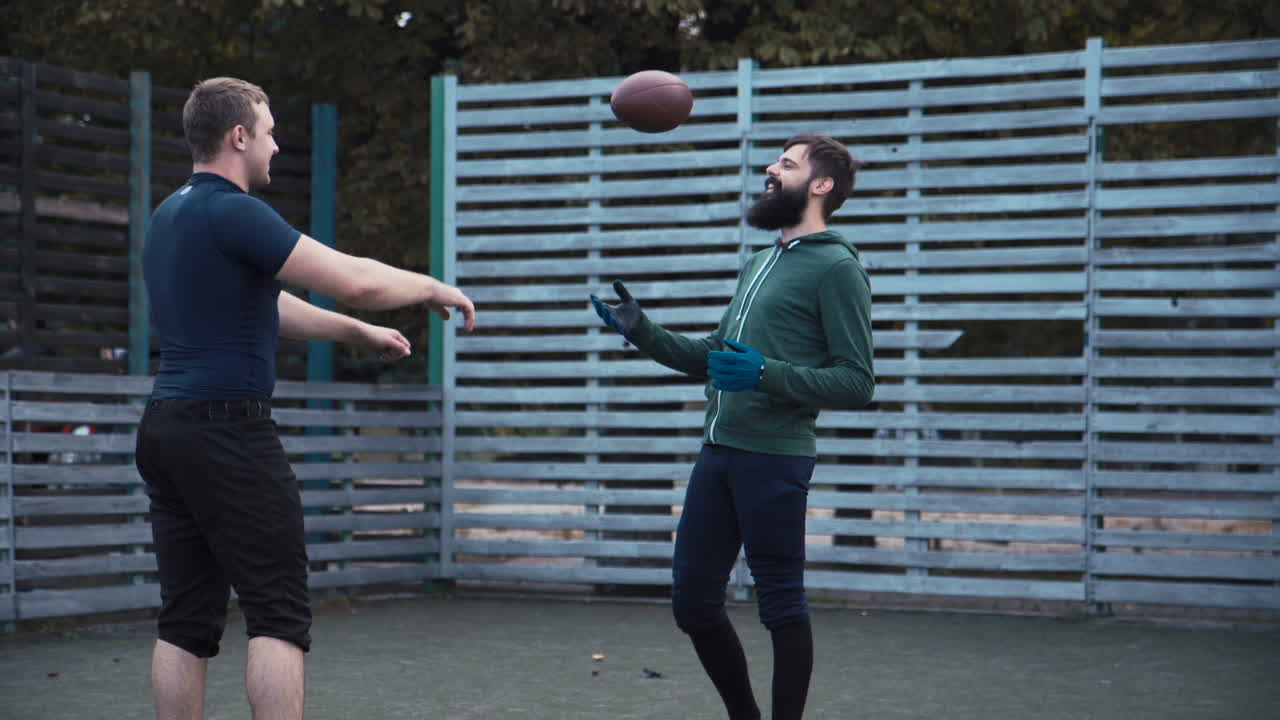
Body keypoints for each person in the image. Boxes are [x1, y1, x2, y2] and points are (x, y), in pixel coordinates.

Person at [136, 77, 475, 720]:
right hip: (228, 435)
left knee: (185, 617)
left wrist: (356, 332)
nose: (276, 146)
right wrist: (432, 287)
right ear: (238, 136)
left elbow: (266, 303)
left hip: (165, 430)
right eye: (267, 133)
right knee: (278, 613)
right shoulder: (235, 211)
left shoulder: (171, 215)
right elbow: (354, 278)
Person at [591, 134, 874, 720]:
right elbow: (716, 357)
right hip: (716, 454)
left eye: (787, 164)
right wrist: (642, 330)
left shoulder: (838, 269)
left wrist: (766, 373)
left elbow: (855, 382)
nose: (771, 169)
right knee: (693, 606)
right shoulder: (761, 261)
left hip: (775, 459)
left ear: (821, 186)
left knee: (781, 606)